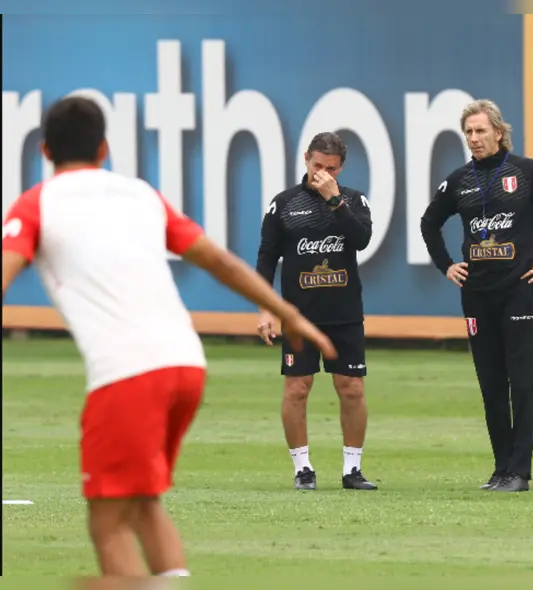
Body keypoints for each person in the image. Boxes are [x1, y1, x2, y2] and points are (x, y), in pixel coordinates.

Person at [0, 96, 336, 578]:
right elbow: (218, 260)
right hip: (186, 366)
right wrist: (289, 314)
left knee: (108, 523)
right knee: (142, 503)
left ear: (45, 151)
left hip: (127, 376)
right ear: (104, 148)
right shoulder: (141, 195)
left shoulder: (37, 204)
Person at [419, 99, 533, 493]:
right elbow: (429, 222)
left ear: (498, 131)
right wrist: (446, 265)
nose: (474, 138)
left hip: (517, 291)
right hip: (476, 295)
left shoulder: (526, 172)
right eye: (468, 132)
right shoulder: (458, 180)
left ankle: (520, 472)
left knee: (522, 381)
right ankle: (500, 469)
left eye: (480, 131)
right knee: (491, 382)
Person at [255, 132, 377, 492]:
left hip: (344, 312)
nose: (322, 173)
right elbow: (266, 257)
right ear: (306, 158)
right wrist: (265, 308)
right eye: (317, 165)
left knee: (351, 387)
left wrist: (334, 201)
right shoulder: (284, 204)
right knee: (297, 388)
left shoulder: (353, 200)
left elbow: (361, 240)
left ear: (342, 168)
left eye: (331, 168)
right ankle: (303, 468)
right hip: (299, 316)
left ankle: (352, 469)